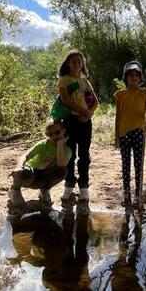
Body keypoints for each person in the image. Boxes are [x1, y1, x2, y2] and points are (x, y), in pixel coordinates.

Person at [52, 50, 99, 202]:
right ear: (67, 63)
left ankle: (84, 186)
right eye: (73, 61)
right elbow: (66, 101)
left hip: (85, 123)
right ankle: (69, 184)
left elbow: (96, 102)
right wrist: (82, 112)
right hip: (70, 121)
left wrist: (88, 114)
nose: (76, 64)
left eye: (79, 61)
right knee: (70, 154)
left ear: (82, 64)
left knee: (84, 155)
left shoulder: (85, 82)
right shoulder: (64, 81)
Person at [8, 118, 72, 208]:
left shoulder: (67, 150)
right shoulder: (43, 144)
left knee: (62, 171)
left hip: (44, 178)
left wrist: (60, 145)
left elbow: (62, 164)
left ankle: (44, 190)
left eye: (57, 132)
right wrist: (18, 167)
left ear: (63, 131)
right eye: (50, 134)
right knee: (23, 172)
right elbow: (24, 156)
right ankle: (15, 190)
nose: (54, 136)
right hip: (30, 175)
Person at [114, 60, 146, 208]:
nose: (133, 78)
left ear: (140, 78)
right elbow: (117, 116)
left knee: (138, 163)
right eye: (130, 75)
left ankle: (138, 193)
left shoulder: (145, 93)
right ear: (126, 77)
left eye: (136, 75)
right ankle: (126, 191)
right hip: (123, 132)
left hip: (139, 131)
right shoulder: (120, 95)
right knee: (126, 163)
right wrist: (116, 136)